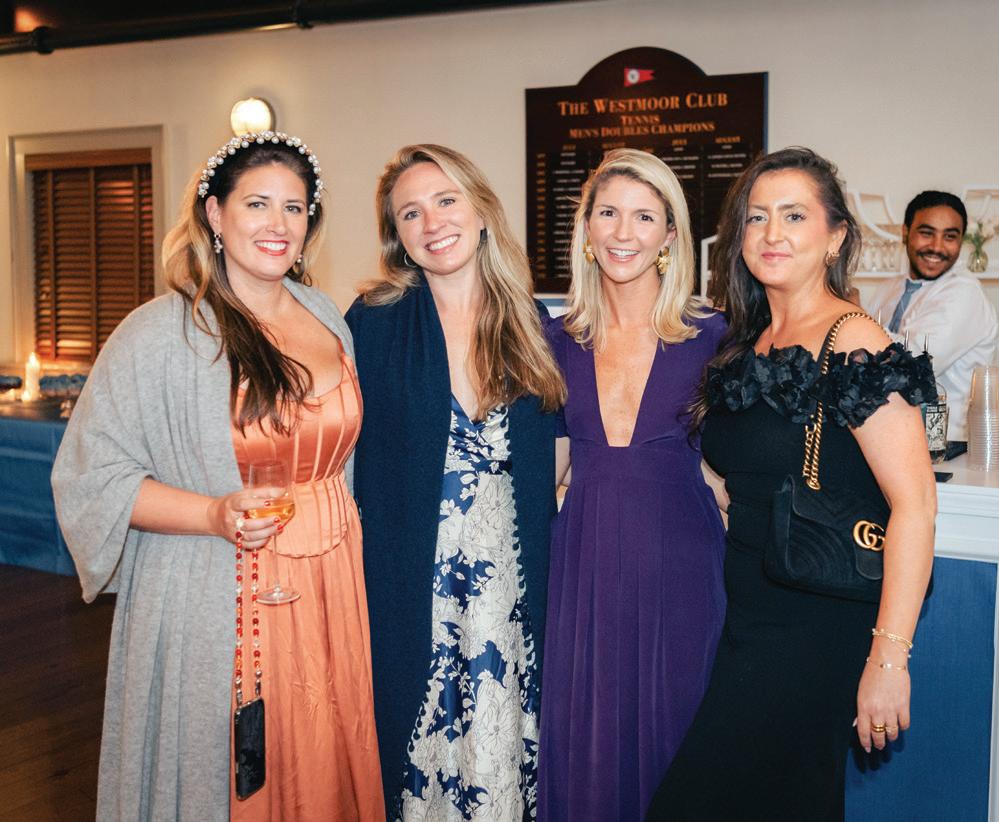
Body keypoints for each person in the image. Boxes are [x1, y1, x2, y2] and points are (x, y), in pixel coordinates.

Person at [52, 132, 384, 821]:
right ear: (214, 213)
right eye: (256, 203)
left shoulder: (327, 315)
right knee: (238, 775)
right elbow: (91, 475)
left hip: (332, 585)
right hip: (222, 591)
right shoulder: (161, 332)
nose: (277, 224)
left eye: (294, 208)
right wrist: (211, 514)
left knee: (322, 760)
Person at [647, 147, 937, 822]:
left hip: (815, 622)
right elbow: (740, 480)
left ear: (835, 237)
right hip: (746, 610)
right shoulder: (747, 340)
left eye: (794, 215)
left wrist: (888, 660)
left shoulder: (854, 341)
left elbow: (916, 506)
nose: (771, 233)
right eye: (756, 217)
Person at [344, 144, 565, 821]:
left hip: (507, 586)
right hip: (411, 583)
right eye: (410, 212)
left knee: (499, 749)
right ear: (397, 236)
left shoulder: (535, 325)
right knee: (413, 751)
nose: (432, 221)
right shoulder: (371, 325)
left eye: (446, 200)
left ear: (481, 210)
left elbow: (560, 455)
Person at [538, 148, 728, 822]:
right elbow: (547, 468)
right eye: (609, 213)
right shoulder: (552, 339)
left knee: (676, 742)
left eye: (645, 217)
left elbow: (733, 469)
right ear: (586, 228)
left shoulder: (714, 338)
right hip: (581, 566)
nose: (624, 233)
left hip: (681, 568)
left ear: (670, 236)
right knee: (583, 748)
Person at [866, 190, 998, 441]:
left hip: (945, 445)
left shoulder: (965, 292)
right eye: (927, 233)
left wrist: (854, 317)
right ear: (905, 232)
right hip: (889, 437)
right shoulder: (888, 288)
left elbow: (915, 365)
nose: (937, 247)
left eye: (950, 236)